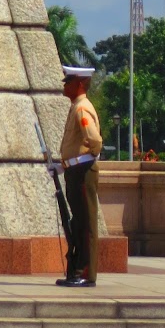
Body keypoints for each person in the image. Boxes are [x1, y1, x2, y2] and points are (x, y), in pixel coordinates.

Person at [53, 62, 103, 287]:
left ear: (80, 84)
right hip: (75, 170)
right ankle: (77, 269)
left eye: (69, 82)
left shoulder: (82, 108)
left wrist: (85, 160)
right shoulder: (76, 106)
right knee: (78, 221)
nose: (66, 86)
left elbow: (94, 140)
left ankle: (85, 272)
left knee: (85, 223)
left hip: (83, 172)